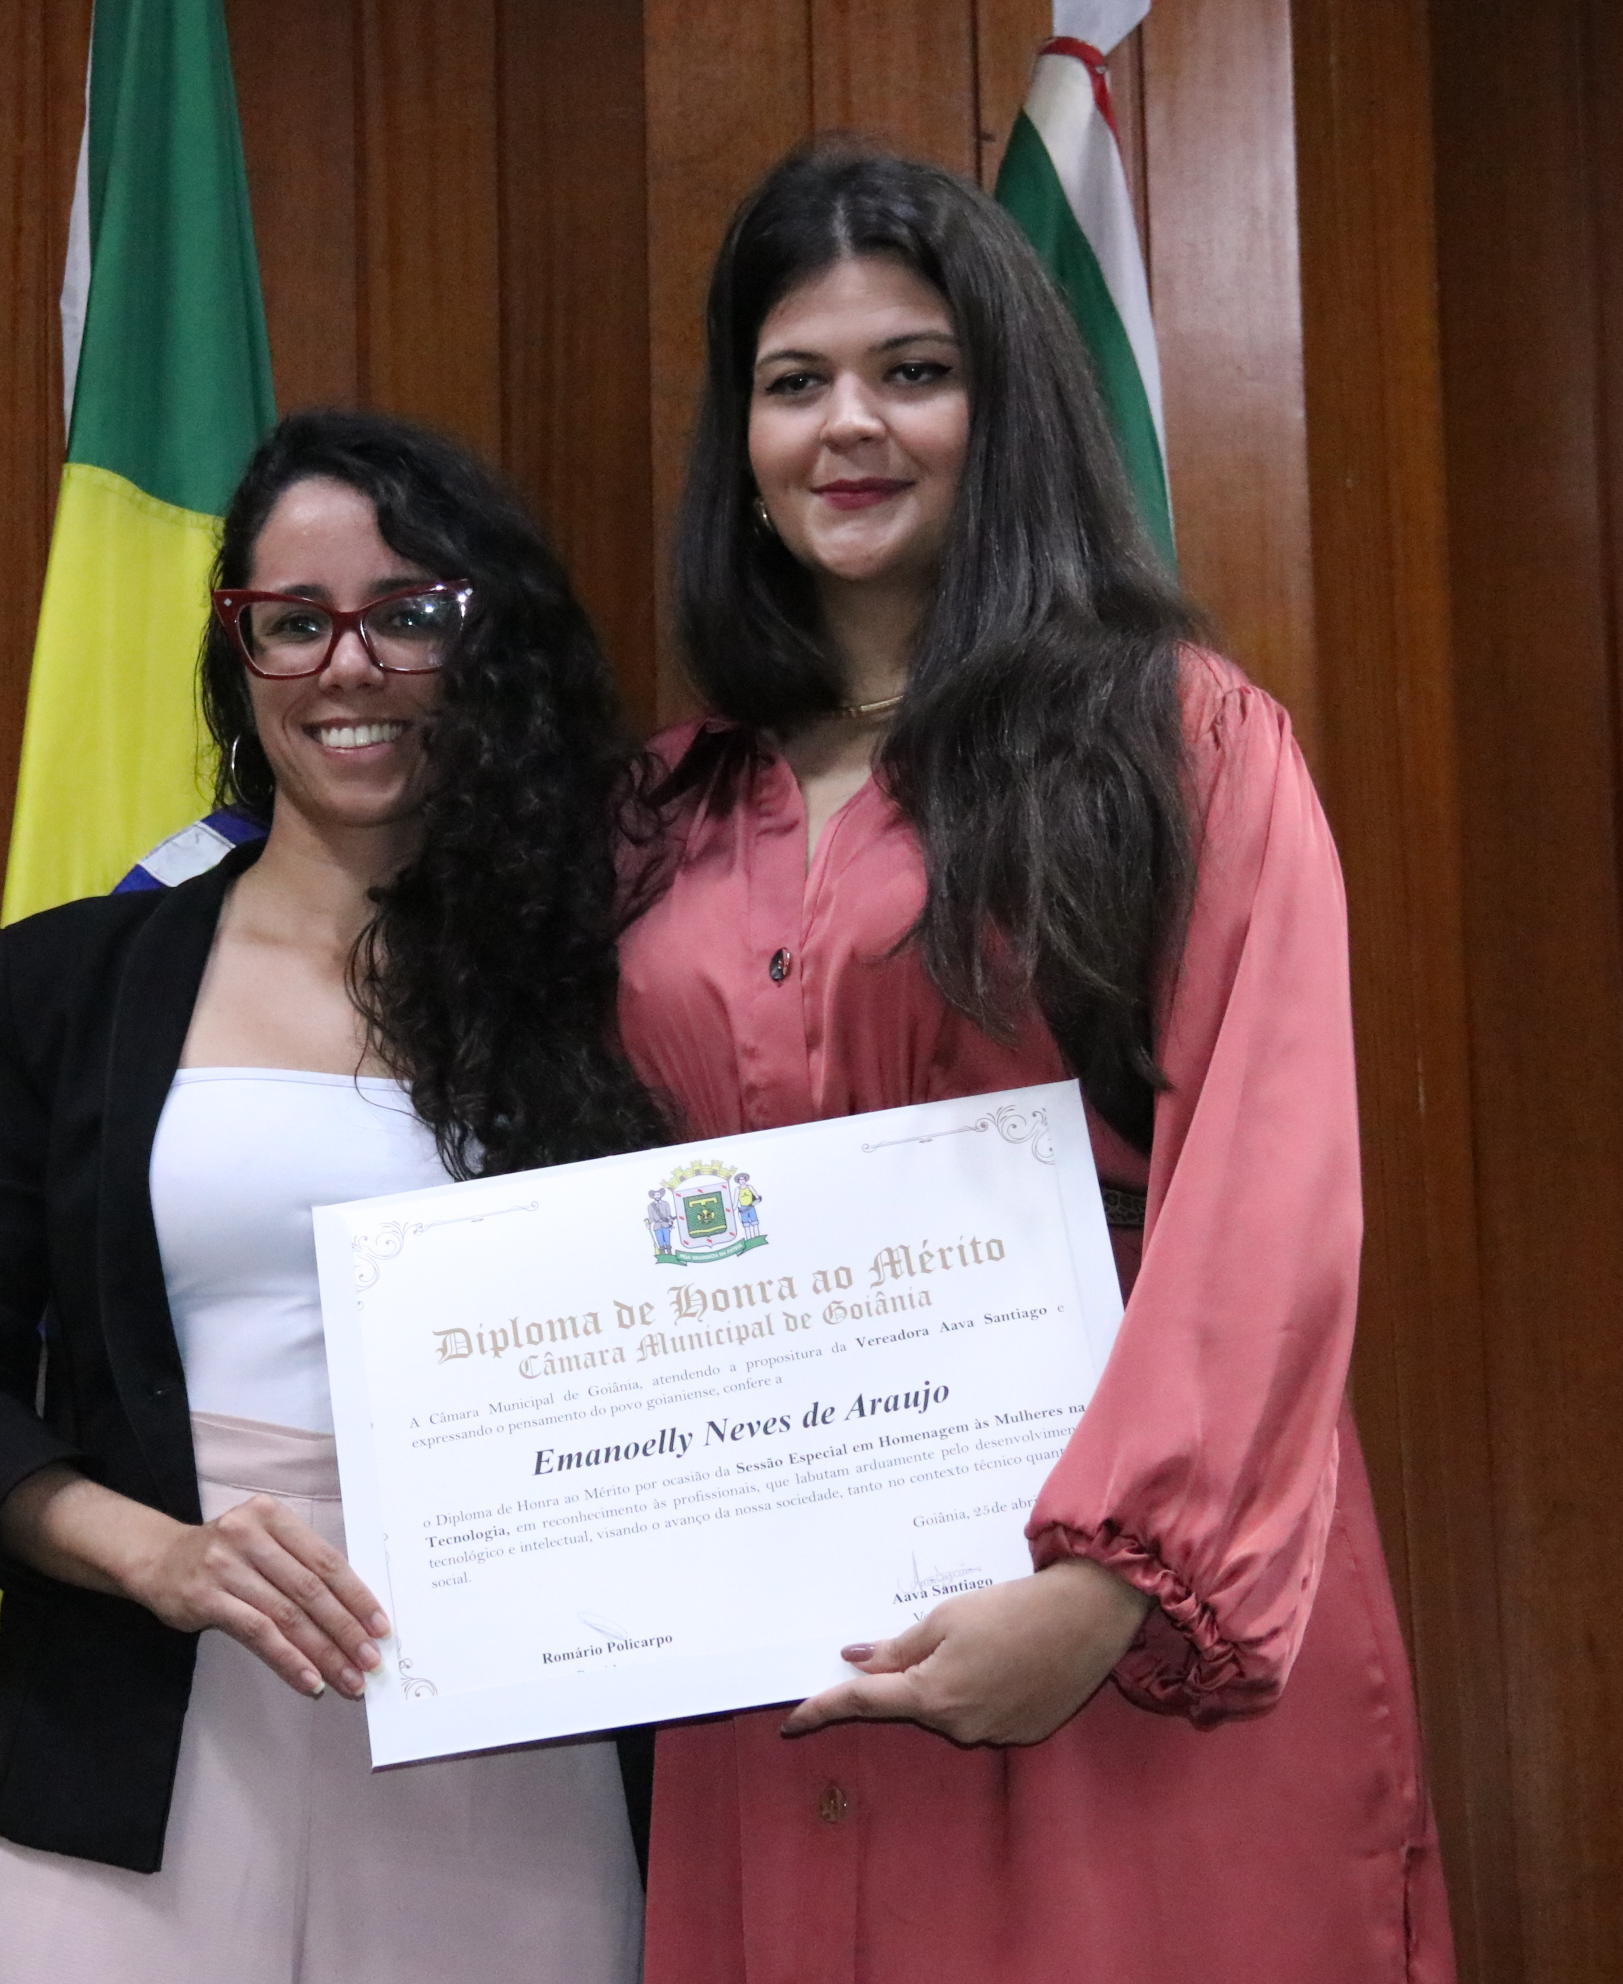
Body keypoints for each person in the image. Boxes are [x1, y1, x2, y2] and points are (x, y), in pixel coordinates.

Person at [619, 140, 1455, 1982]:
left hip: (1119, 1636)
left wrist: (1105, 1591)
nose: (851, 424)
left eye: (913, 370)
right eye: (794, 381)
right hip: (764, 1631)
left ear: (1004, 411)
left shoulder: (1178, 742)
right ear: (739, 443)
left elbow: (1267, 1190)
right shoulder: (655, 814)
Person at [0, 409, 659, 1983]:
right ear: (239, 657)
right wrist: (155, 1555)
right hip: (137, 1739)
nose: (346, 667)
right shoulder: (65, 986)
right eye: (293, 623)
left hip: (514, 1737)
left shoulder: (611, 983)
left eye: (404, 615)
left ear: (487, 645)